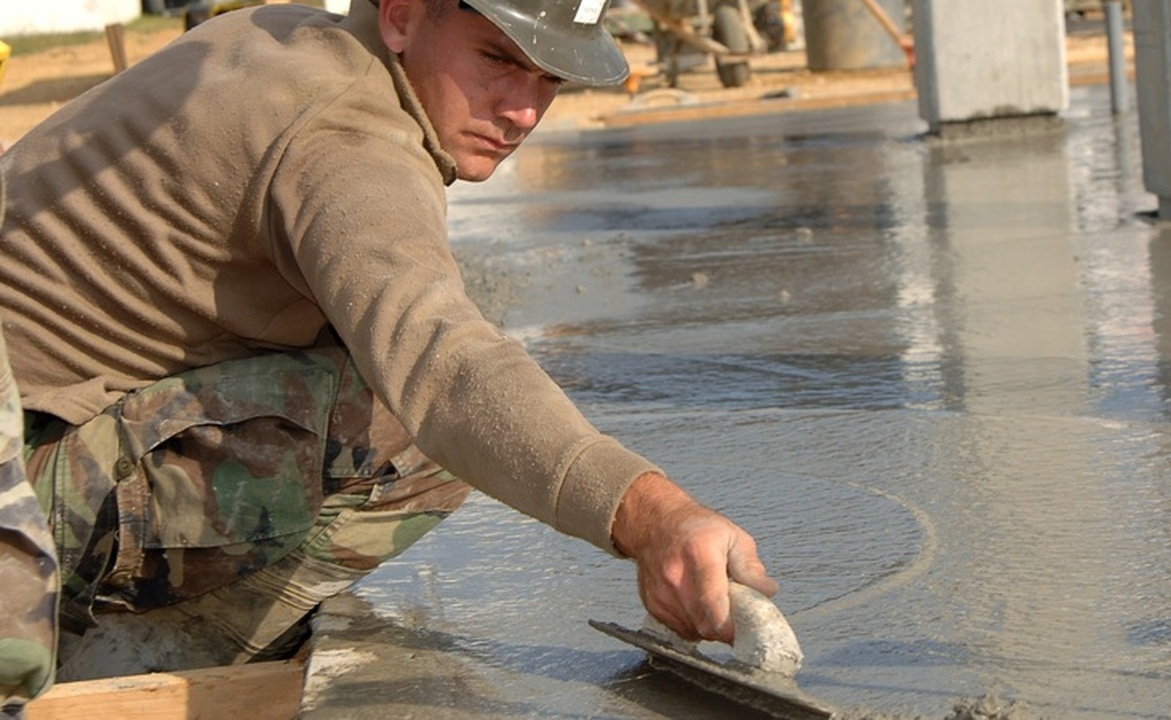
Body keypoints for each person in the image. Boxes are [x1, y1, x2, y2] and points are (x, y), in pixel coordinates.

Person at [0, 0, 777, 712]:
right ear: (404, 16)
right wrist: (650, 516)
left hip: (36, 422)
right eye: (499, 60)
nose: (522, 111)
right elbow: (446, 367)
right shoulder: (349, 140)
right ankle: (134, 658)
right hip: (22, 496)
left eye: (551, 79)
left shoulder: (290, 40)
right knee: (415, 433)